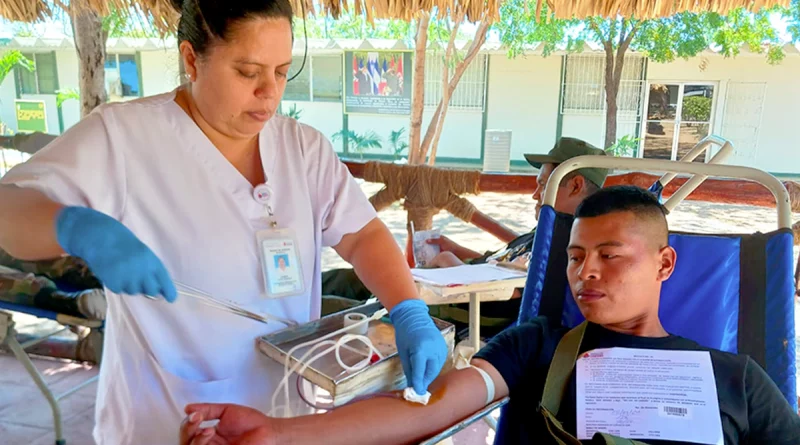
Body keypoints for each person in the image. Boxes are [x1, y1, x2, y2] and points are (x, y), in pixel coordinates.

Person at [0, 0, 446, 443]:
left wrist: (408, 308)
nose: (269, 92)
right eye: (248, 73)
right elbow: (9, 208)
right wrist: (76, 226)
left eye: (281, 71)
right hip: (168, 417)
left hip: (288, 418)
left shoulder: (302, 148)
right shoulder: (124, 138)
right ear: (192, 59)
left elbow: (362, 234)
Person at [180, 185, 800, 445]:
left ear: (664, 265)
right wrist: (277, 433)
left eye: (610, 257)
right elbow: (428, 405)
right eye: (576, 256)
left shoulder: (734, 378)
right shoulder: (539, 345)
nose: (585, 273)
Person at [322, 137, 609, 338]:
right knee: (351, 277)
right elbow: (500, 264)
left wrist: (451, 265)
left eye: (544, 186)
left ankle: (296, 307)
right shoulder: (543, 231)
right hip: (451, 285)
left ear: (574, 185)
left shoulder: (569, 243)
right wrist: (453, 248)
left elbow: (512, 291)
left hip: (463, 308)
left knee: (339, 307)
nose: (535, 195)